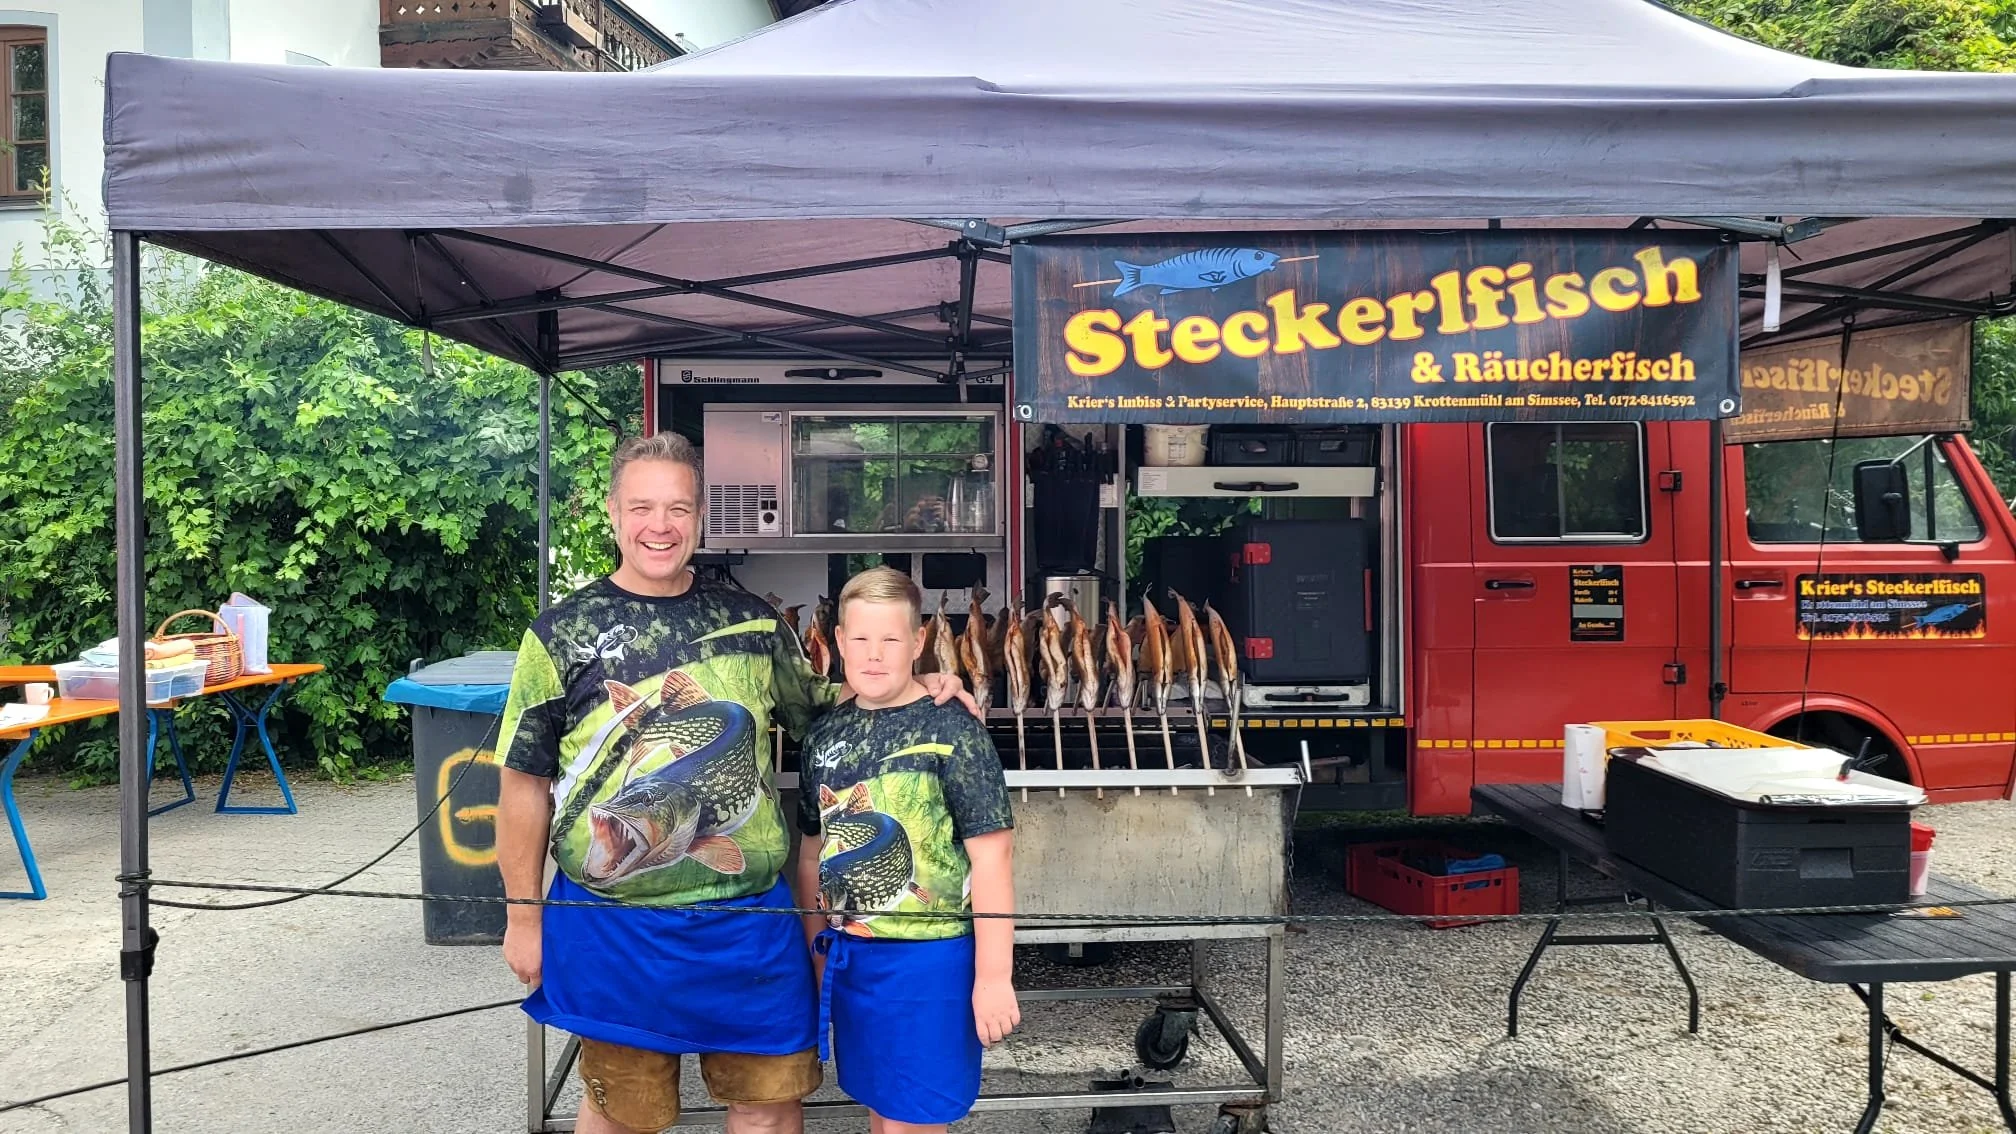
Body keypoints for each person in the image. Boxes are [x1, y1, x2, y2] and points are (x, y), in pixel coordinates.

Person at [495, 433, 970, 1134]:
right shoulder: (560, 634)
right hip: (614, 929)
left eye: (678, 508)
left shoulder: (750, 620)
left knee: (770, 1100)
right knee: (620, 1109)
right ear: (611, 511)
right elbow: (522, 787)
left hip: (750, 925)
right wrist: (523, 917)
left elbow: (823, 705)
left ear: (700, 516)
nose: (660, 526)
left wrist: (912, 683)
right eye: (643, 507)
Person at [792, 566, 1018, 1133]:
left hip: (930, 963)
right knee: (881, 1109)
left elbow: (993, 858)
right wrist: (818, 960)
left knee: (915, 1119)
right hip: (852, 957)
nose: (874, 654)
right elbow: (810, 854)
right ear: (839, 641)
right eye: (860, 639)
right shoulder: (823, 735)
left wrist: (993, 977)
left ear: (918, 643)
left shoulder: (955, 729)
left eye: (891, 639)